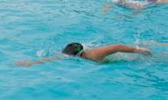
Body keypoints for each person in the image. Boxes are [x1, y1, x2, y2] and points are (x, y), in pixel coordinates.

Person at [15, 43, 151, 67]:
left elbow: (117, 47)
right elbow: (116, 47)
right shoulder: (93, 54)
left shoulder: (92, 54)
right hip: (121, 58)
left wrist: (139, 49)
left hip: (124, 57)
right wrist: (32, 62)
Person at [102, 0, 168, 12]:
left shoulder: (136, 7)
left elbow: (111, 2)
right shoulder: (121, 1)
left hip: (150, 0)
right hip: (150, 0)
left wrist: (106, 8)